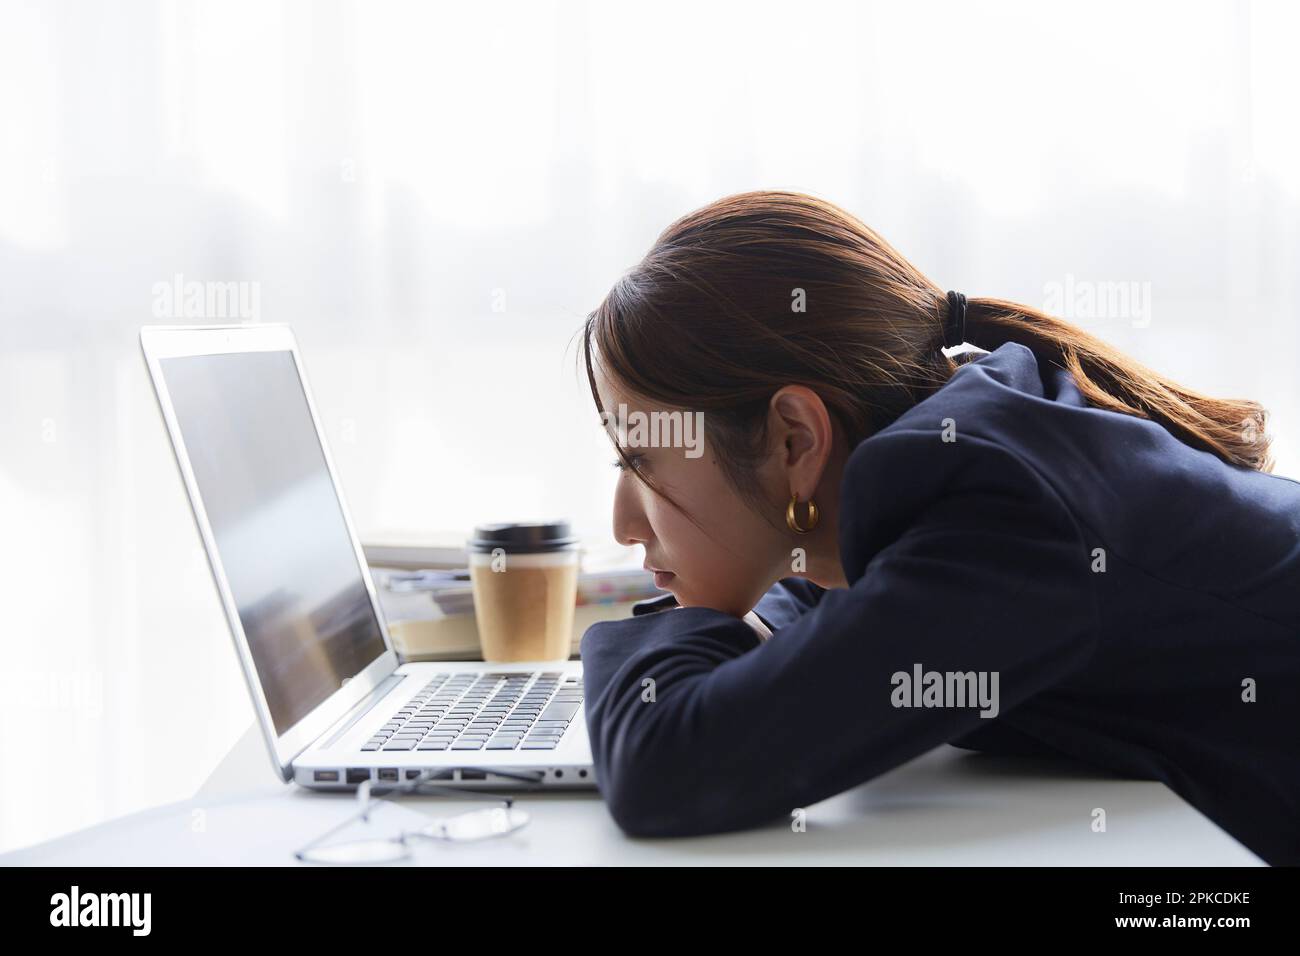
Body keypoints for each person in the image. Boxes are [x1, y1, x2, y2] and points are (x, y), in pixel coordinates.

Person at [576, 190, 1300, 865]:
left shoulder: (998, 517)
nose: (622, 522)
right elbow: (832, 608)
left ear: (794, 439)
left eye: (641, 461)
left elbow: (663, 769)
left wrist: (676, 626)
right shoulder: (955, 457)